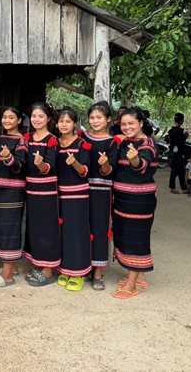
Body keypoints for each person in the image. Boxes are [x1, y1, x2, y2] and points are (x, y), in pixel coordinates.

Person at [111, 107, 158, 299]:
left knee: (135, 238)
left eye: (131, 123)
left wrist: (135, 159)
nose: (127, 127)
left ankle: (131, 283)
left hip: (139, 200)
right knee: (124, 233)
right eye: (123, 124)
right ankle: (139, 276)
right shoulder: (125, 142)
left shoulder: (147, 144)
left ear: (141, 123)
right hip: (122, 198)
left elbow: (143, 164)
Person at [77, 101, 119, 291]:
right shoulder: (81, 137)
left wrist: (104, 164)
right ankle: (84, 266)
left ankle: (98, 272)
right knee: (83, 228)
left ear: (108, 119)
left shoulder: (112, 142)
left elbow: (110, 171)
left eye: (99, 117)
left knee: (100, 229)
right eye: (92, 118)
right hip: (81, 189)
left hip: (102, 191)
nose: (95, 121)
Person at [0, 106, 28, 288]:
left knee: (9, 229)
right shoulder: (1, 138)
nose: (7, 120)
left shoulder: (21, 141)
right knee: (2, 227)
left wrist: (9, 157)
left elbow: (18, 167)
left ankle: (7, 275)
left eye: (12, 117)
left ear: (19, 120)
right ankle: (13, 267)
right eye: (4, 117)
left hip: (13, 191)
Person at [23, 102, 60, 287]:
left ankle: (48, 269)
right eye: (34, 116)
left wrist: (40, 165)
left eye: (40, 116)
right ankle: (38, 262)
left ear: (49, 119)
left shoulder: (52, 139)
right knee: (34, 226)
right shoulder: (27, 138)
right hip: (31, 189)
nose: (36, 119)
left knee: (47, 228)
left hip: (47, 190)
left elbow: (50, 166)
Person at [55, 108, 91, 292]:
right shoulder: (54, 143)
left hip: (77, 195)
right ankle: (65, 269)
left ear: (75, 123)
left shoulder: (81, 144)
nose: (64, 124)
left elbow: (85, 171)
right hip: (58, 194)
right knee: (63, 233)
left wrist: (74, 163)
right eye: (61, 121)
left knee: (77, 232)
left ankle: (78, 272)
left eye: (68, 121)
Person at [168, 112, 189, 194]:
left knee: (181, 170)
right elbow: (179, 142)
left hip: (174, 152)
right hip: (176, 152)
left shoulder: (172, 130)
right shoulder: (178, 131)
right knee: (175, 170)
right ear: (182, 121)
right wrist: (185, 137)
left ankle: (184, 187)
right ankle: (172, 187)